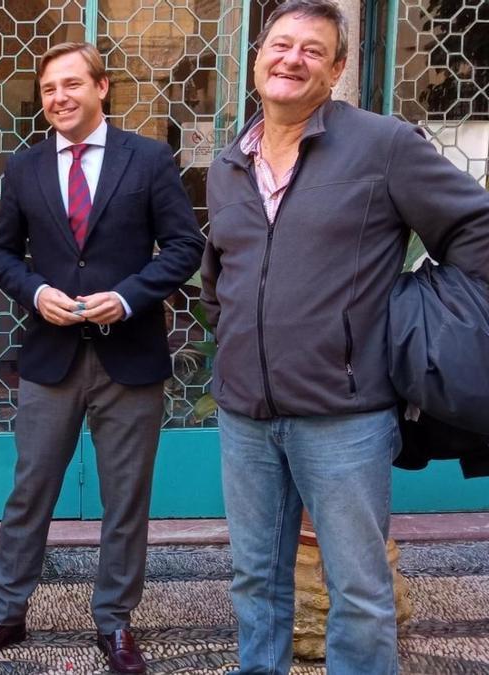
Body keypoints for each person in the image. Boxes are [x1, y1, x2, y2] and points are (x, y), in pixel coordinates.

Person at [200, 1, 489, 673]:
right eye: (280, 44)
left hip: (345, 416)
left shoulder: (381, 144)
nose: (291, 58)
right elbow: (224, 268)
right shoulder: (228, 162)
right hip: (246, 415)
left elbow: (475, 228)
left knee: (357, 590)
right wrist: (238, 336)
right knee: (253, 579)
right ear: (257, 58)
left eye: (311, 49)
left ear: (336, 69)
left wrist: (428, 307)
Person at [0, 42, 204, 674]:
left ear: (103, 89)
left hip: (131, 357)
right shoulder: (25, 167)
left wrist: (128, 298)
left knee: (126, 498)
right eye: (48, 89)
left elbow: (182, 247)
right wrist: (36, 292)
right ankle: (6, 612)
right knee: (29, 491)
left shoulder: (147, 159)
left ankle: (115, 623)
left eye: (71, 85)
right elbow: (1, 253)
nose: (59, 98)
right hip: (51, 357)